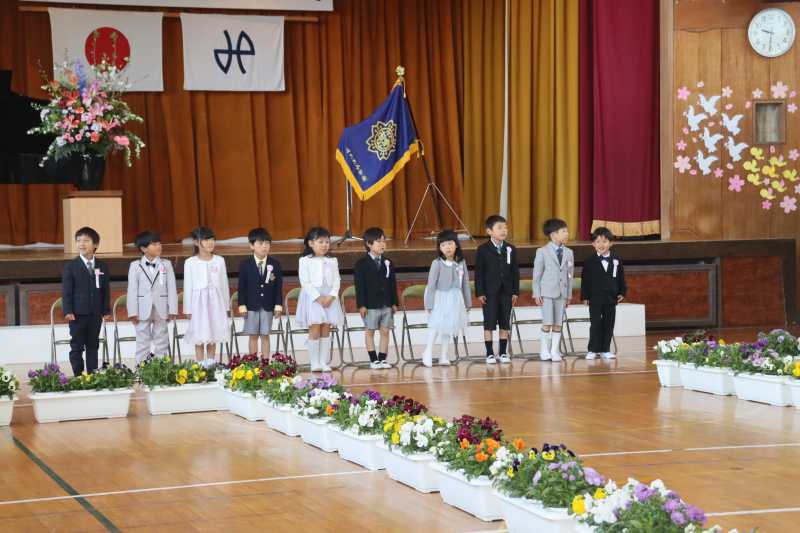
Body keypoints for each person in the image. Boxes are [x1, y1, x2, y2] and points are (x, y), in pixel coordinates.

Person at [62, 226, 111, 375]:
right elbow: (67, 291)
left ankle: (92, 376)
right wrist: (68, 310)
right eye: (79, 241)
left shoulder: (102, 265)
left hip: (95, 313)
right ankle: (78, 375)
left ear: (95, 244)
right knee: (77, 346)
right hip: (77, 314)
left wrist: (106, 310)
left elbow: (105, 290)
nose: (81, 244)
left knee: (93, 345)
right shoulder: (71, 266)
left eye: (86, 241)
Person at [422, 230, 472, 368]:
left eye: (450, 244)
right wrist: (429, 304)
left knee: (449, 326)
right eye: (443, 245)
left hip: (455, 298)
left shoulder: (461, 263)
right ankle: (428, 352)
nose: (447, 247)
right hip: (439, 297)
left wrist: (468, 303)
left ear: (456, 244)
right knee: (436, 326)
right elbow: (431, 285)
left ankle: (443, 355)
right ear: (440, 248)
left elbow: (465, 284)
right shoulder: (437, 263)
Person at [126, 230, 178, 364]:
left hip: (162, 308)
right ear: (143, 249)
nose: (159, 246)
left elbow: (172, 288)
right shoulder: (135, 266)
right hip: (142, 309)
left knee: (161, 340)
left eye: (159, 243)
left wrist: (173, 309)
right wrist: (132, 312)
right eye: (154, 244)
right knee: (142, 341)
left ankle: (161, 370)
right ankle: (141, 370)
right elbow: (132, 290)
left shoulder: (166, 264)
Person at [474, 214, 519, 364]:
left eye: (505, 227)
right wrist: (480, 292)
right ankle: (489, 353)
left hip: (506, 292)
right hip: (489, 292)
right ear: (489, 231)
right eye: (499, 228)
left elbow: (515, 272)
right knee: (489, 322)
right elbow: (479, 273)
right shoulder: (482, 249)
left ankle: (503, 352)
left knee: (505, 322)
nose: (504, 230)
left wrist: (515, 291)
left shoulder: (510, 248)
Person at [296, 227, 342, 372]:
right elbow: (305, 282)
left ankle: (323, 361)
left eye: (327, 242)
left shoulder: (332, 260)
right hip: (313, 298)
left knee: (326, 328)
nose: (324, 245)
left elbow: (337, 280)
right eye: (320, 242)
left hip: (329, 298)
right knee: (315, 328)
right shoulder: (304, 261)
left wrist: (332, 295)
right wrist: (318, 297)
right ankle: (314, 362)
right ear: (311, 243)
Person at [182, 226, 230, 366]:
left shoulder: (219, 260)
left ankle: (211, 366)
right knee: (199, 335)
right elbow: (188, 286)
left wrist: (226, 306)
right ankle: (200, 367)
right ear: (197, 242)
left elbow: (224, 284)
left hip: (216, 302)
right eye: (206, 240)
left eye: (212, 239)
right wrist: (187, 309)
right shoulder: (190, 262)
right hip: (198, 303)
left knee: (213, 334)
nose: (210, 243)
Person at [353, 227, 398, 369]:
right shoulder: (361, 264)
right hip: (370, 304)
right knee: (370, 331)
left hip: (386, 303)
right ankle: (373, 360)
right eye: (379, 241)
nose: (382, 244)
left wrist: (394, 302)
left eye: (384, 241)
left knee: (385, 331)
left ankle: (382, 359)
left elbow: (392, 284)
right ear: (369, 244)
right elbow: (359, 286)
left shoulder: (388, 262)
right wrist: (361, 305)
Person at [581, 226, 626, 360]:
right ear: (593, 244)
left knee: (609, 323)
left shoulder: (616, 259)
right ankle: (592, 349)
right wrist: (585, 296)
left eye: (605, 241)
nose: (601, 245)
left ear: (611, 243)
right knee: (595, 324)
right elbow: (585, 280)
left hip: (611, 298)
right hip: (595, 298)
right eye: (598, 241)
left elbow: (621, 277)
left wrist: (622, 292)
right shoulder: (589, 261)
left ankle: (605, 349)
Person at [532, 218, 574, 362]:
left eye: (567, 231)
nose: (567, 234)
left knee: (558, 323)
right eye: (564, 231)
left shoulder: (569, 252)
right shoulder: (542, 251)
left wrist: (568, 295)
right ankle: (544, 350)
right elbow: (537, 275)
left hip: (562, 294)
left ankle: (555, 351)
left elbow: (570, 275)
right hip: (547, 293)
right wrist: (536, 293)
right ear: (553, 234)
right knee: (547, 322)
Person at [237, 227, 283, 356]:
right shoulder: (245, 264)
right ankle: (253, 363)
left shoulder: (275, 264)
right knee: (253, 336)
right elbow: (241, 287)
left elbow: (278, 286)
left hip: (268, 306)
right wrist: (242, 305)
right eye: (260, 243)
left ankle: (265, 362)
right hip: (251, 307)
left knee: (265, 335)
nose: (264, 246)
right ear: (251, 245)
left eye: (267, 243)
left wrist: (278, 305)